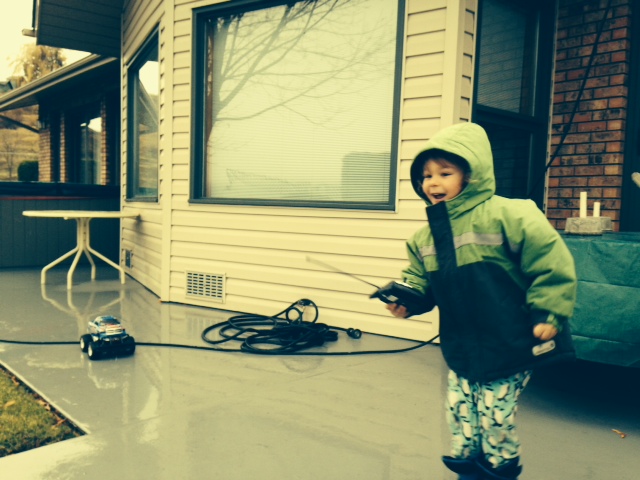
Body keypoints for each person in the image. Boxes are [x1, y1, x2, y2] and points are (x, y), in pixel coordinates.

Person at [386, 122, 577, 480]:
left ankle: (501, 468)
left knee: (495, 415)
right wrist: (408, 300)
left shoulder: (511, 215)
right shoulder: (424, 238)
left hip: (511, 340)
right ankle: (468, 465)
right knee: (460, 410)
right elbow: (420, 280)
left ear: (472, 175)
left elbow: (551, 264)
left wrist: (549, 312)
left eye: (445, 173)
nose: (433, 182)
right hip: (463, 345)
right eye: (426, 175)